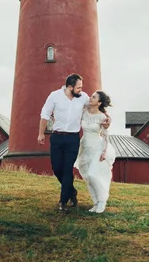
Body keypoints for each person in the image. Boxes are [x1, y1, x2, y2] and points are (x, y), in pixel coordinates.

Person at [38, 73, 110, 213]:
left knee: (67, 169)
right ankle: (72, 192)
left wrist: (109, 119)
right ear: (70, 87)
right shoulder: (55, 96)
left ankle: (63, 201)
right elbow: (45, 114)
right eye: (78, 87)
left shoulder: (83, 97)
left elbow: (96, 108)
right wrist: (41, 133)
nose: (81, 90)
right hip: (57, 137)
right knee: (57, 167)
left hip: (73, 139)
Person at [74, 90, 115, 213]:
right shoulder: (84, 112)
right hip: (85, 148)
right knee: (87, 176)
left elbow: (106, 135)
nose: (90, 98)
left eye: (94, 97)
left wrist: (104, 152)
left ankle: (102, 201)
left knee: (93, 174)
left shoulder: (102, 117)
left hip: (98, 148)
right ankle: (95, 202)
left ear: (99, 103)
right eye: (91, 96)